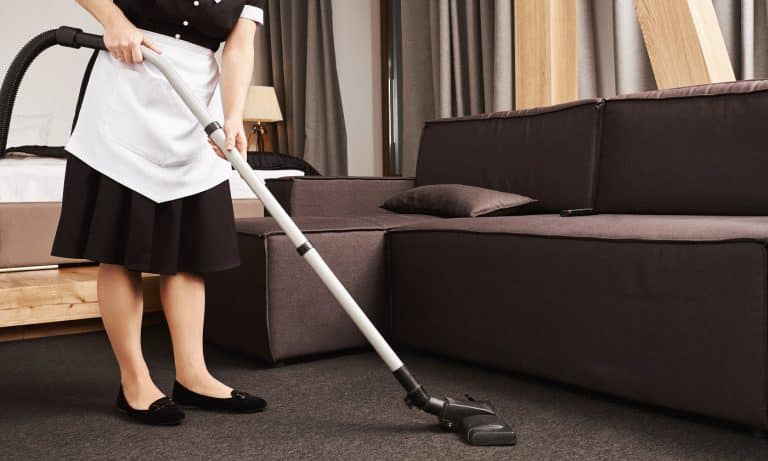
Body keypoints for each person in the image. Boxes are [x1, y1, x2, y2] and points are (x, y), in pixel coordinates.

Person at [50, 0, 267, 425]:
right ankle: (135, 381)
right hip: (125, 90)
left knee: (188, 255)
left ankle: (193, 375)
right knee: (117, 250)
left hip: (195, 110)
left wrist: (235, 116)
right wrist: (114, 21)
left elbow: (240, 46)